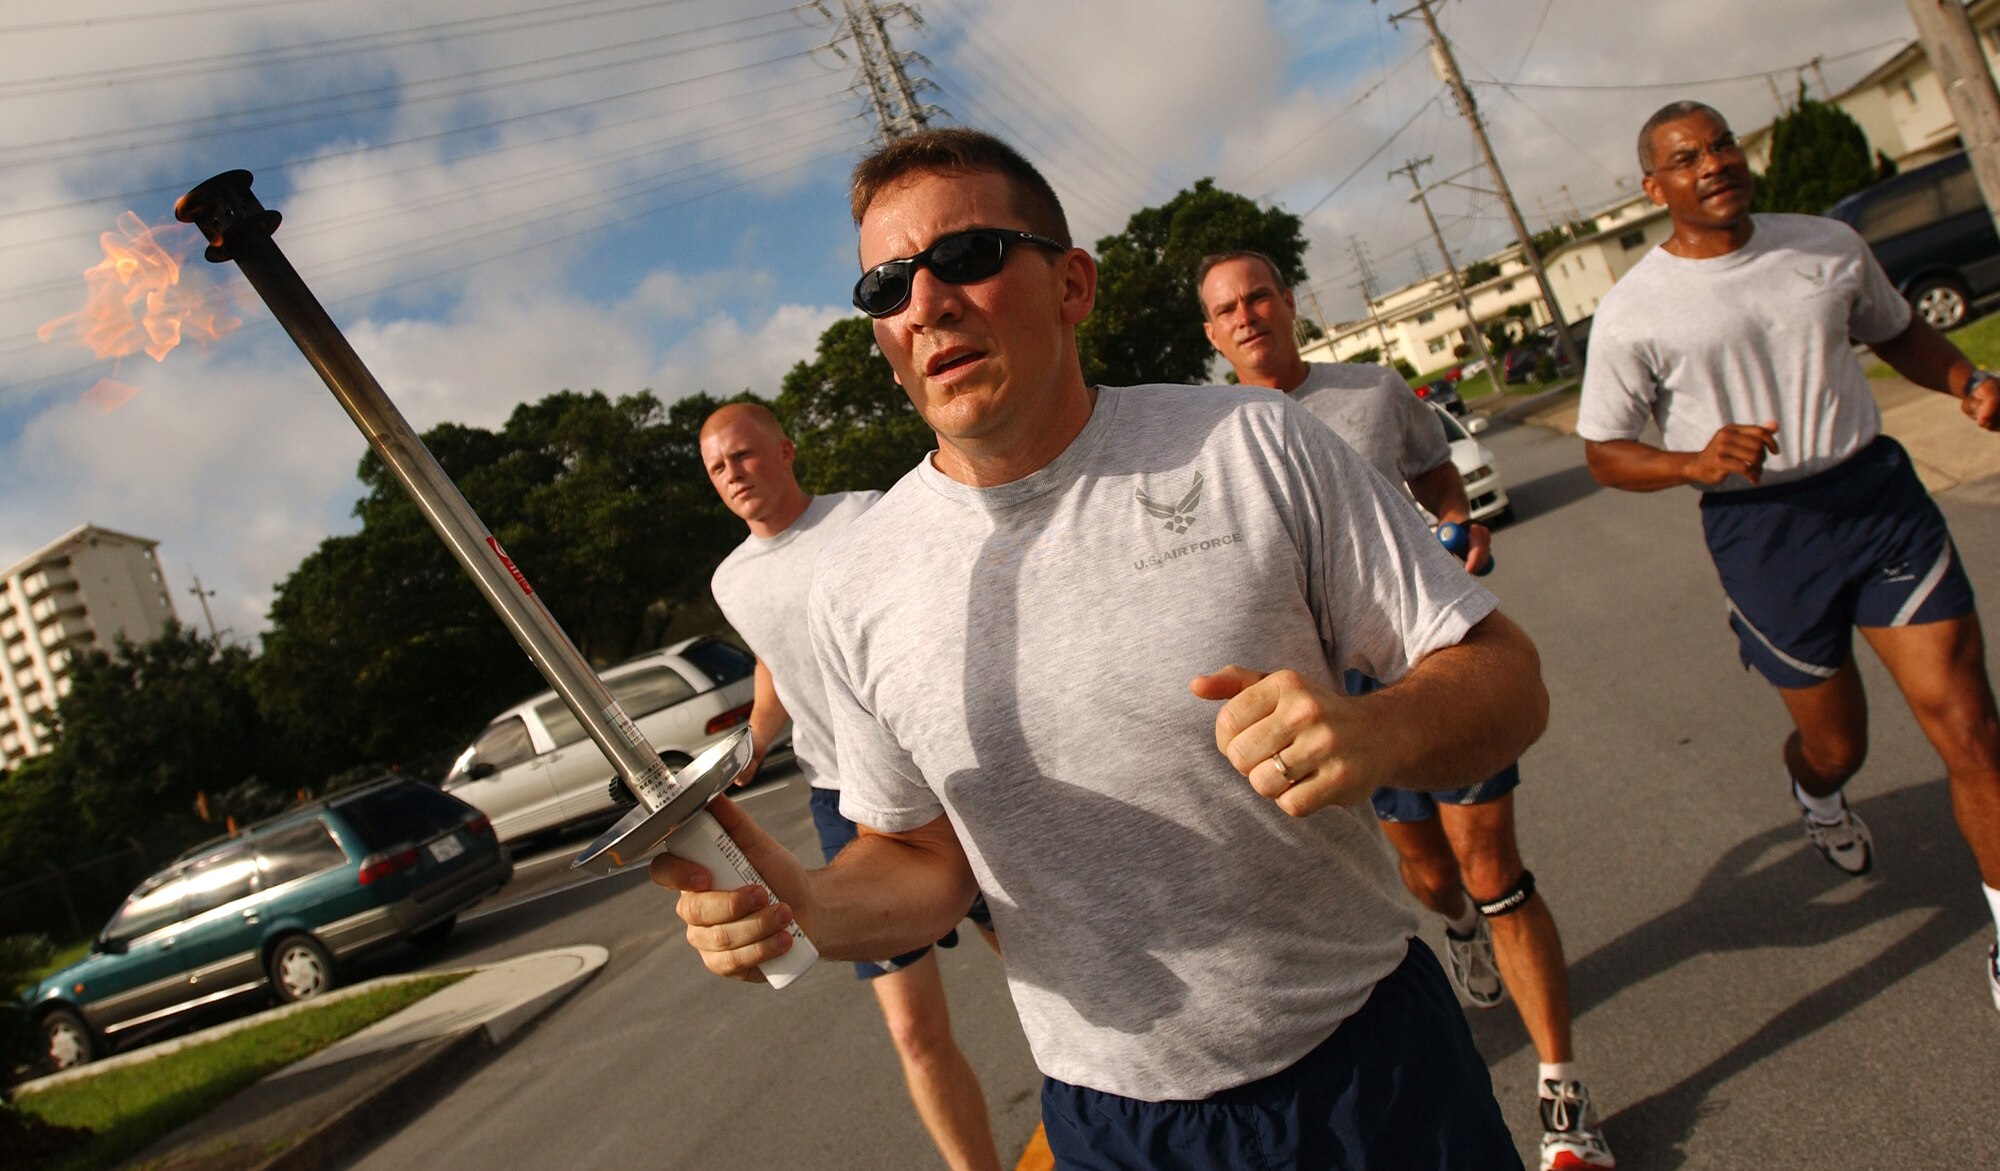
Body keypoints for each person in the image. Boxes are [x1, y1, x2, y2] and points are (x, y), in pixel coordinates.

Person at [659, 127, 1550, 1169]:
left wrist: (1378, 727)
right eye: (886, 286)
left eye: (967, 257)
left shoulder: (1250, 446)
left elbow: (1505, 678)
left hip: (1368, 1062)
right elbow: (919, 859)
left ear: (1071, 283)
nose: (927, 301)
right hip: (1119, 1124)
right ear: (881, 343)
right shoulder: (857, 582)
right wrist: (804, 904)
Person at [1198, 249, 1615, 1171]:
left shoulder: (1375, 391)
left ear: (1287, 303)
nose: (1247, 316)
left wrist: (1458, 529)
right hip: (1330, 695)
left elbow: (1437, 477)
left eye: (1259, 295)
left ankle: (1564, 1097)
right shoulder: (1212, 435)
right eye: (1226, 309)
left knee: (1491, 863)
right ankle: (1458, 926)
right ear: (1212, 333)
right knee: (1428, 875)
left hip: (1425, 663)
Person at [1579, 100, 2000, 1011]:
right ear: (1656, 189)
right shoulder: (1631, 311)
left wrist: (1966, 378)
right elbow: (1604, 451)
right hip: (1764, 534)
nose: (1713, 163)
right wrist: (1693, 460)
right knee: (1837, 741)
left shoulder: (1827, 244)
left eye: (1723, 143)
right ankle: (1817, 792)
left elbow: (1896, 331)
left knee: (1970, 729)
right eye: (1687, 157)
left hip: (1878, 500)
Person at [700, 402, 1002, 1171]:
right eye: (717, 466)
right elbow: (773, 664)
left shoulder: (865, 517)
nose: (734, 472)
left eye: (744, 453)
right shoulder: (730, 580)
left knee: (1048, 971)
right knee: (911, 1031)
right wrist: (755, 737)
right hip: (843, 803)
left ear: (786, 449)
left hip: (943, 784)